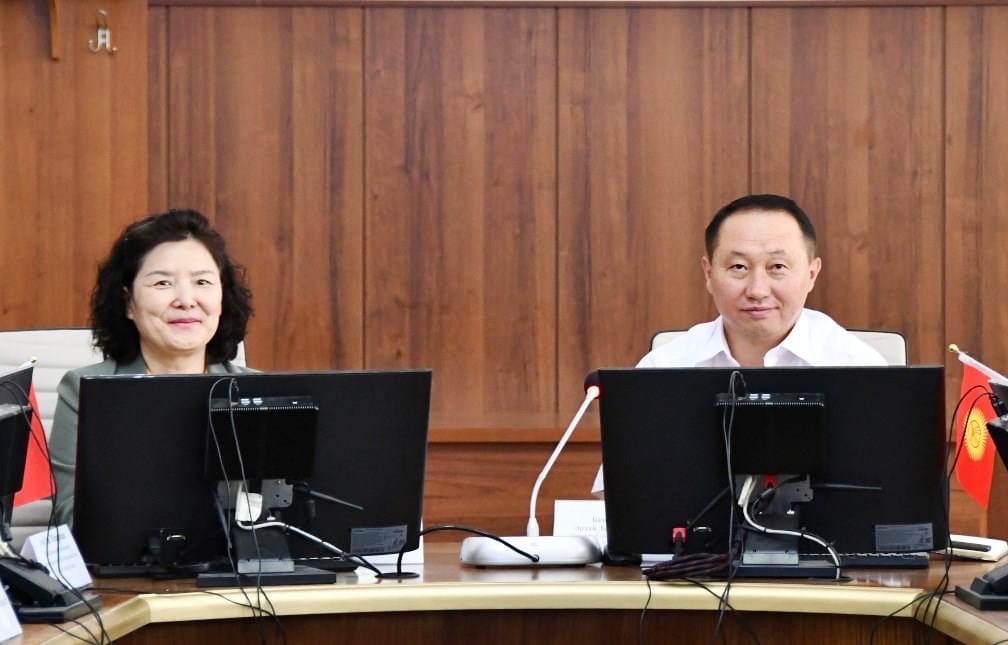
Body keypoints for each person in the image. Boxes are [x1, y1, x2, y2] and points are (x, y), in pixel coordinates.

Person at [593, 193, 886, 495]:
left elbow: (890, 490)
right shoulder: (662, 369)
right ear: (709, 274)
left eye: (777, 267)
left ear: (811, 274)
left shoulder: (861, 367)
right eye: (738, 267)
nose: (757, 290)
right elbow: (616, 494)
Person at [49, 209, 254, 525]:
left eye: (202, 282)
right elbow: (70, 516)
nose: (186, 300)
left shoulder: (262, 393)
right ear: (128, 303)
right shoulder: (85, 389)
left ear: (222, 297)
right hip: (128, 557)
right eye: (162, 283)